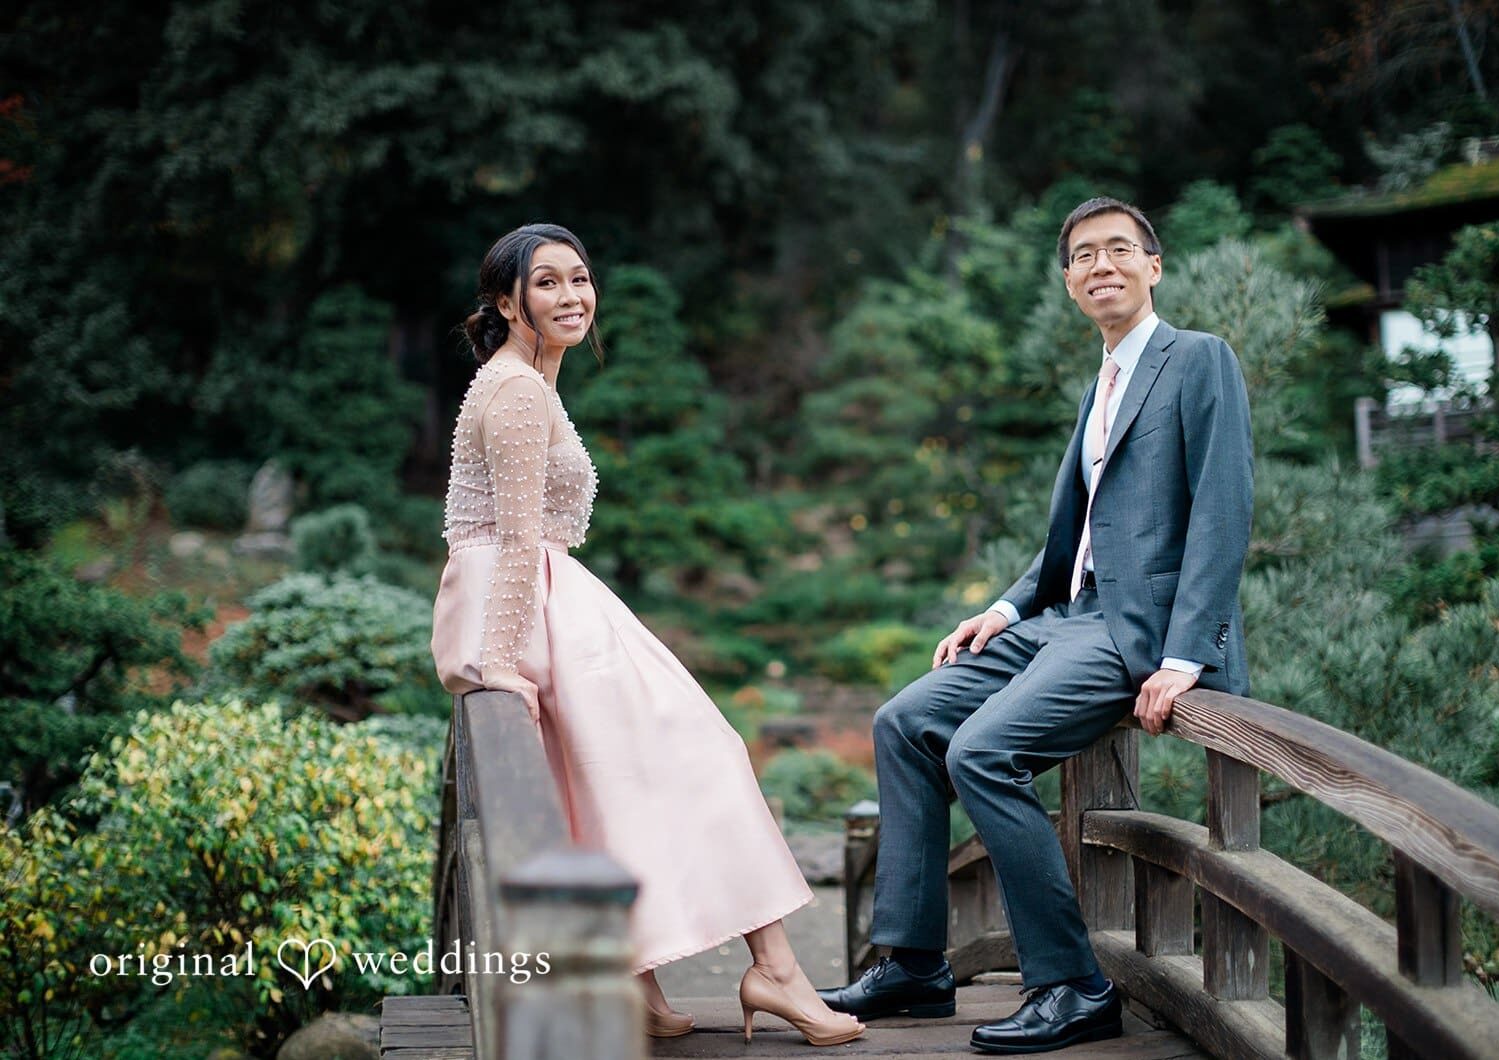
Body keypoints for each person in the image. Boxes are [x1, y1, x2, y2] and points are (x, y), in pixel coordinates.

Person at [818, 197, 1254, 1055]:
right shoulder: (1100, 384)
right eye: (1084, 255)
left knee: (981, 751)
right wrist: (1005, 607)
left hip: (1133, 632)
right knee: (905, 723)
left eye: (1119, 250)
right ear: (1067, 281)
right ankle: (911, 964)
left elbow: (1221, 511)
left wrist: (1182, 656)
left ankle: (1072, 984)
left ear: (1153, 266)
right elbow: (1073, 536)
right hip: (1063, 617)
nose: (1101, 265)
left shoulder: (1196, 360)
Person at [430, 223, 862, 1048]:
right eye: (547, 283)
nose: (571, 297)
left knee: (600, 778)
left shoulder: (526, 379)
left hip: (537, 595)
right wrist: (497, 658)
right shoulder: (516, 390)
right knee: (700, 751)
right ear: (504, 302)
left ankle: (639, 981)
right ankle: (771, 969)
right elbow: (518, 538)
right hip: (527, 599)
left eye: (580, 279)